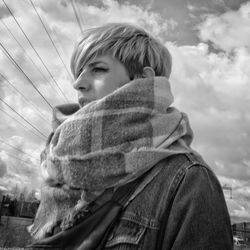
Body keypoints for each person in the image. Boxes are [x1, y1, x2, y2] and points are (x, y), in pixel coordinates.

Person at [28, 23, 233, 249]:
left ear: (141, 81)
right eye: (79, 72)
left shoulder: (189, 181)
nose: (78, 83)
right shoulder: (59, 165)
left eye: (98, 69)